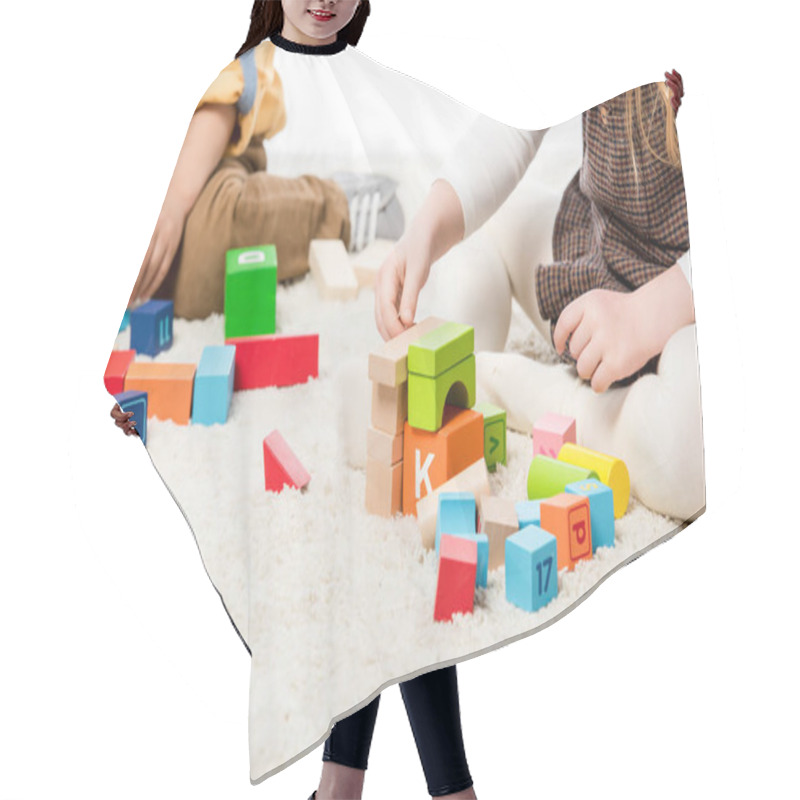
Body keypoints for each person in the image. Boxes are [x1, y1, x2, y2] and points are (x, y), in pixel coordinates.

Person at [112, 2, 477, 798]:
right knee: (372, 563)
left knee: (396, 552)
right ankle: (430, 791)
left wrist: (641, 127)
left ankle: (348, 788)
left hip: (357, 345)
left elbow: (483, 155)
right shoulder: (244, 78)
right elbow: (175, 225)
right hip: (279, 359)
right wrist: (136, 362)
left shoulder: (374, 88)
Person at [374, 69, 704, 523]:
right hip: (600, 253)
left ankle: (506, 385)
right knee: (479, 227)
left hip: (703, 305)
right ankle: (455, 377)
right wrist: (429, 226)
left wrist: (649, 314)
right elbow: (513, 122)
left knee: (688, 448)